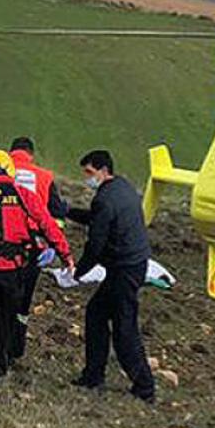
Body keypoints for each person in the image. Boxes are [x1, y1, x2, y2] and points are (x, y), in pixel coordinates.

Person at [0, 150, 74, 394]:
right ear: (10, 171)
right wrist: (66, 256)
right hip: (13, 272)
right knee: (6, 321)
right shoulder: (23, 195)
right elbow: (48, 225)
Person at [68, 150, 156, 403]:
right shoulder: (123, 188)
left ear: (103, 170)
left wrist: (78, 271)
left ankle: (144, 387)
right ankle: (93, 375)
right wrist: (67, 211)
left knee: (124, 329)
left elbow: (96, 242)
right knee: (96, 313)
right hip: (134, 264)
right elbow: (99, 220)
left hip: (124, 270)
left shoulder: (104, 199)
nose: (86, 178)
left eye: (89, 172)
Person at [8, 136, 69, 360]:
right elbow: (58, 215)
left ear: (11, 152)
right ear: (31, 154)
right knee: (23, 301)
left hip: (2, 242)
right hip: (33, 245)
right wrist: (53, 244)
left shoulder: (0, 170)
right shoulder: (45, 177)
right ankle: (15, 349)